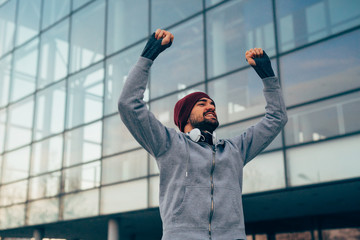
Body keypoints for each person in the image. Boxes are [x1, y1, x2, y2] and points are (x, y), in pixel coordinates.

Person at [118, 29, 287, 240]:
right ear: (185, 116)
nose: (211, 107)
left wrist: (268, 76)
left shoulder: (235, 150)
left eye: (213, 104)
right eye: (202, 103)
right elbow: (128, 104)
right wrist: (149, 55)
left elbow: (277, 118)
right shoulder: (168, 144)